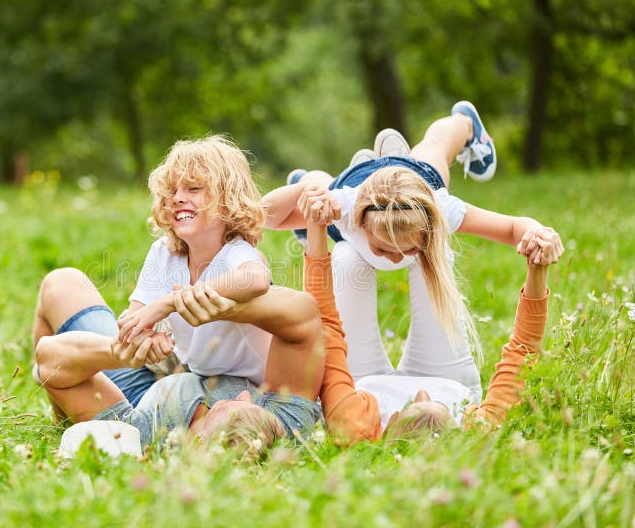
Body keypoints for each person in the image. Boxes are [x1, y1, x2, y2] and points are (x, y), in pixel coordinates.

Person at [262, 101, 564, 402]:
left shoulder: (439, 209)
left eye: (407, 249)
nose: (394, 257)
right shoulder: (345, 206)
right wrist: (305, 195)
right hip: (355, 188)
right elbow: (264, 215)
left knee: (434, 151)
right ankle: (307, 180)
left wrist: (536, 233)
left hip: (415, 182)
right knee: (320, 187)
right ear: (362, 225)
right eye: (382, 248)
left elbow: (512, 227)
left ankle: (465, 123)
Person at [32, 135, 274, 414]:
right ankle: (59, 410)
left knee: (64, 360)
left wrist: (166, 304)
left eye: (193, 188)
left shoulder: (236, 253)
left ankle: (64, 387)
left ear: (227, 200)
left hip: (223, 399)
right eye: (171, 192)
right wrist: (148, 338)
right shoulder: (165, 252)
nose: (178, 198)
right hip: (161, 379)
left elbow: (255, 278)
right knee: (60, 283)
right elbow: (135, 322)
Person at [302, 209, 556, 444]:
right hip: (447, 377)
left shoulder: (354, 423)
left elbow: (327, 327)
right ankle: (406, 192)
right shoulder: (478, 426)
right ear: (458, 424)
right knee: (434, 248)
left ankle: (358, 207)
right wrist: (537, 268)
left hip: (363, 383)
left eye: (414, 403)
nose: (422, 391)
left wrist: (316, 228)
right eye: (436, 403)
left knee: (348, 256)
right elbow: (523, 349)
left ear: (390, 424)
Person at [34, 282, 324, 450]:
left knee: (61, 284)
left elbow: (48, 358)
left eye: (224, 408)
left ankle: (65, 420)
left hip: (138, 399)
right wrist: (211, 305)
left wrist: (126, 352)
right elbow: (304, 313)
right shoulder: (287, 426)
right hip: (192, 354)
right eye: (252, 404)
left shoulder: (141, 436)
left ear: (196, 441)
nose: (245, 395)